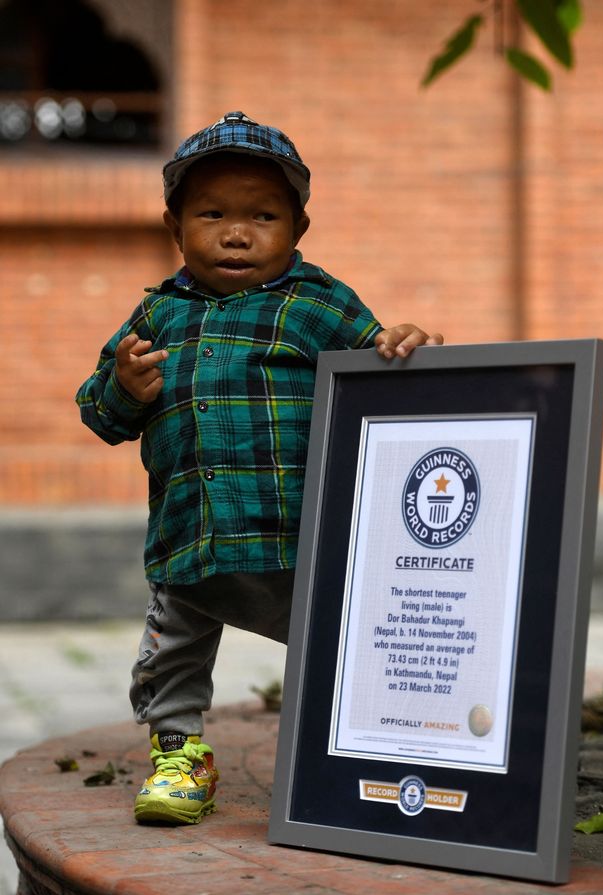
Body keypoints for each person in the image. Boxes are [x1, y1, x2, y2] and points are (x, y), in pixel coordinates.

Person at [76, 111, 443, 825]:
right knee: (171, 654)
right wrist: (124, 387)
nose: (237, 233)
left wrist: (402, 344)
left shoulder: (317, 304)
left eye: (263, 216)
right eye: (212, 214)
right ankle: (179, 755)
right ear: (174, 227)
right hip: (192, 533)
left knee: (337, 643)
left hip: (298, 535)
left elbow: (381, 372)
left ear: (298, 228)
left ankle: (362, 750)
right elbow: (100, 413)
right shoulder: (156, 316)